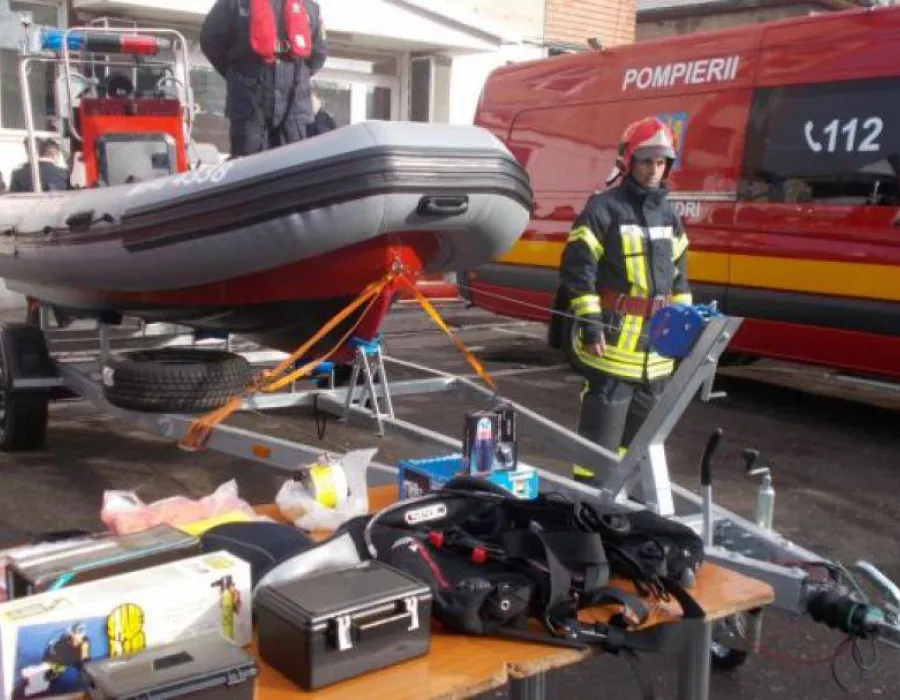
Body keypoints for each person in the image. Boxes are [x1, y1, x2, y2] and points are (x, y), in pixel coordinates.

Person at [549, 116, 692, 484]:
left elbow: (679, 275)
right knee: (598, 451)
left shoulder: (668, 214)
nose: (653, 170)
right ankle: (589, 508)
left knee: (642, 451)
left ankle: (632, 508)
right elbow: (578, 271)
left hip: (656, 358)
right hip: (612, 352)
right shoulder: (604, 208)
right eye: (646, 161)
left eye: (661, 162)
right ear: (629, 161)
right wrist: (590, 324)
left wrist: (686, 328)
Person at [200, 0, 328, 157]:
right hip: (249, 106)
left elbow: (319, 53)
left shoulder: (309, 7)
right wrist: (236, 76)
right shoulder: (234, 4)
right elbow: (210, 40)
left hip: (293, 107)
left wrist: (300, 79)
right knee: (249, 166)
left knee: (292, 164)